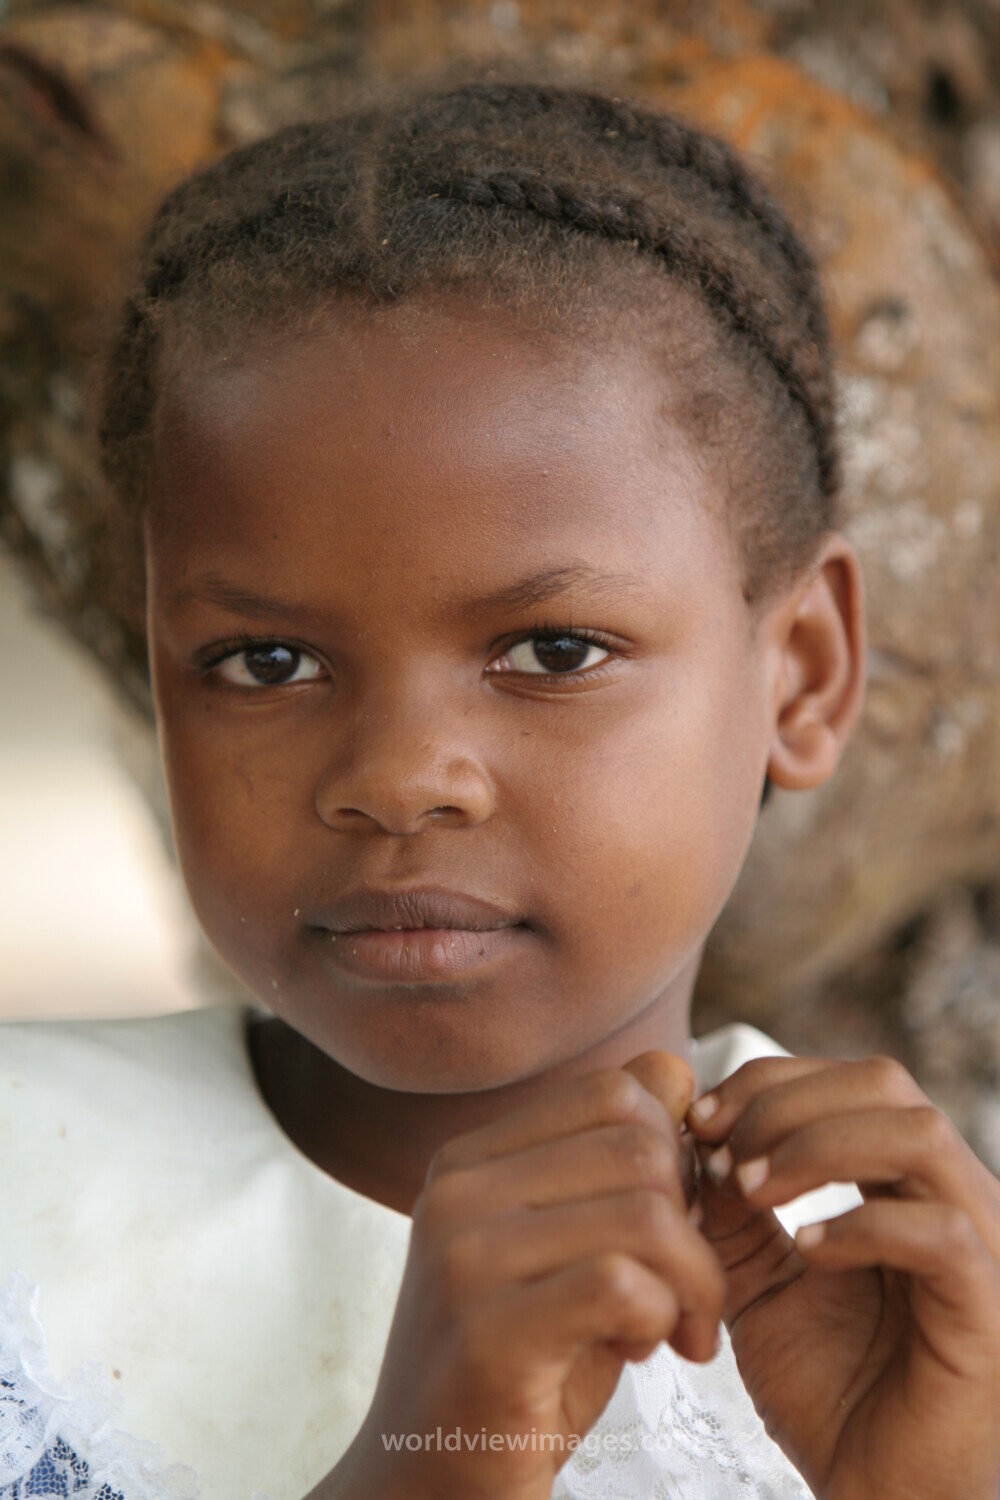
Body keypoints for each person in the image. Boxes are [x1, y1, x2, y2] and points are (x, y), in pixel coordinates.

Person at [2, 78, 999, 1500]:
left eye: (554, 651)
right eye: (268, 660)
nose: (400, 780)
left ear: (804, 676)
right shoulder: (26, 1204)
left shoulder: (929, 1312)